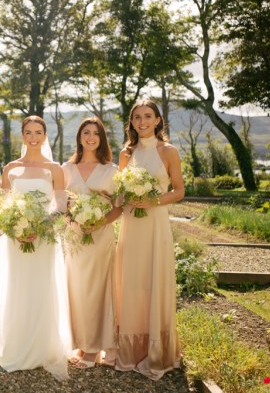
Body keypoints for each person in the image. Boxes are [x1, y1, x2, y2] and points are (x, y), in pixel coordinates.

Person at [0, 115, 72, 380]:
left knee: (42, 288)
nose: (33, 137)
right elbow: (3, 206)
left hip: (43, 240)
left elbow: (62, 206)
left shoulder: (55, 169)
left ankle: (42, 347)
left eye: (38, 132)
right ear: (22, 136)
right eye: (28, 132)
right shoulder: (11, 168)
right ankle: (17, 346)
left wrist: (39, 227)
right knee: (17, 287)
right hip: (16, 239)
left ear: (45, 136)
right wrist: (16, 229)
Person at [112, 99, 184, 380]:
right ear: (131, 123)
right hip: (132, 226)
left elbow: (178, 191)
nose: (142, 122)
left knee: (155, 281)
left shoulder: (169, 151)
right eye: (137, 117)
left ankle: (157, 351)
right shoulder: (125, 154)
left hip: (155, 226)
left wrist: (151, 200)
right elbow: (119, 192)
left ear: (157, 120)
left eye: (148, 116)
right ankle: (130, 350)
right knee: (132, 283)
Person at [61, 117, 122, 369]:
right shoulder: (66, 169)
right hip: (74, 236)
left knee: (97, 289)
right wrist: (71, 219)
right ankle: (81, 342)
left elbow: (119, 207)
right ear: (79, 137)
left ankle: (94, 347)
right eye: (86, 132)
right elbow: (59, 204)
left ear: (102, 138)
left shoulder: (111, 171)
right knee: (76, 289)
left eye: (96, 133)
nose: (90, 137)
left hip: (100, 235)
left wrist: (100, 222)